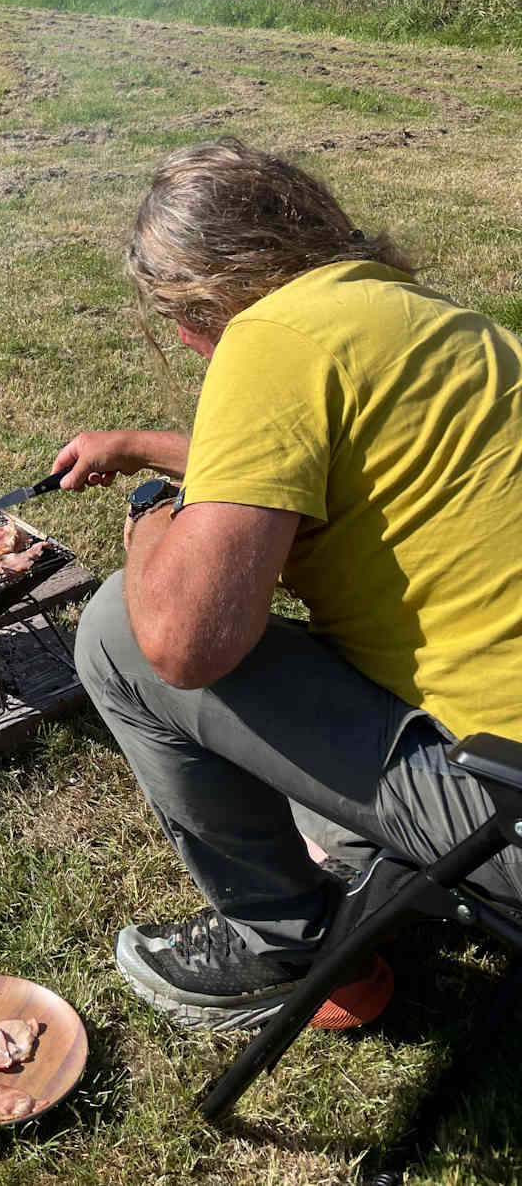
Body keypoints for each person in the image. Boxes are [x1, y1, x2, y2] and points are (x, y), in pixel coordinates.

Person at [52, 139, 522, 1032]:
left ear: (210, 293)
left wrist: (150, 512)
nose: (187, 342)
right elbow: (308, 463)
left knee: (120, 628)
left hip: (505, 804)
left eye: (181, 317)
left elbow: (185, 640)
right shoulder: (419, 316)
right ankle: (358, 862)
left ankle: (282, 941)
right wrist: (142, 446)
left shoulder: (265, 338)